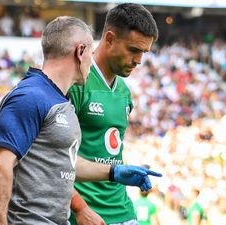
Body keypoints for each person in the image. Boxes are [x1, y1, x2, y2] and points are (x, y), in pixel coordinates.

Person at [0, 16, 161, 225]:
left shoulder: (57, 99)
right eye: (91, 52)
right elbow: (1, 166)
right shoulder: (30, 96)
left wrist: (114, 172)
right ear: (80, 52)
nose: (93, 60)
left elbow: (62, 166)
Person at [68, 3, 159, 225]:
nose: (138, 61)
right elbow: (52, 159)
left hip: (123, 211)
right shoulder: (76, 83)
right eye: (134, 50)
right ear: (109, 39)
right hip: (86, 213)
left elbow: (107, 152)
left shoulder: (124, 93)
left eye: (144, 53)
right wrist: (79, 208)